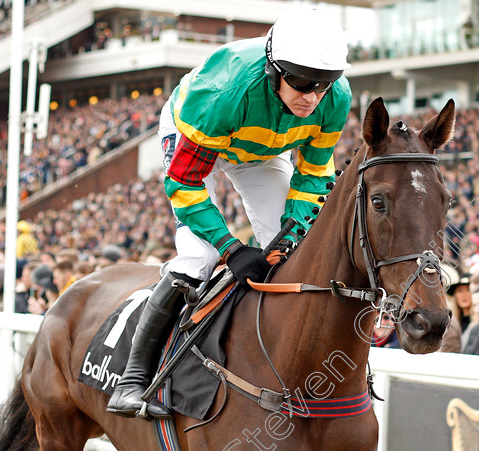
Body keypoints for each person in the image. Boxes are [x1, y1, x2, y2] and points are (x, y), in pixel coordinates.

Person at [107, 6, 353, 418]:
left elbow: (312, 176)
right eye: (301, 82)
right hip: (200, 134)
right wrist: (230, 249)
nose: (312, 96)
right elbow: (184, 183)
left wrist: (289, 236)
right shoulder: (224, 93)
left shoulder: (336, 98)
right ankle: (131, 380)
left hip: (261, 152)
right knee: (199, 257)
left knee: (292, 251)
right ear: (274, 70)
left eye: (323, 85)